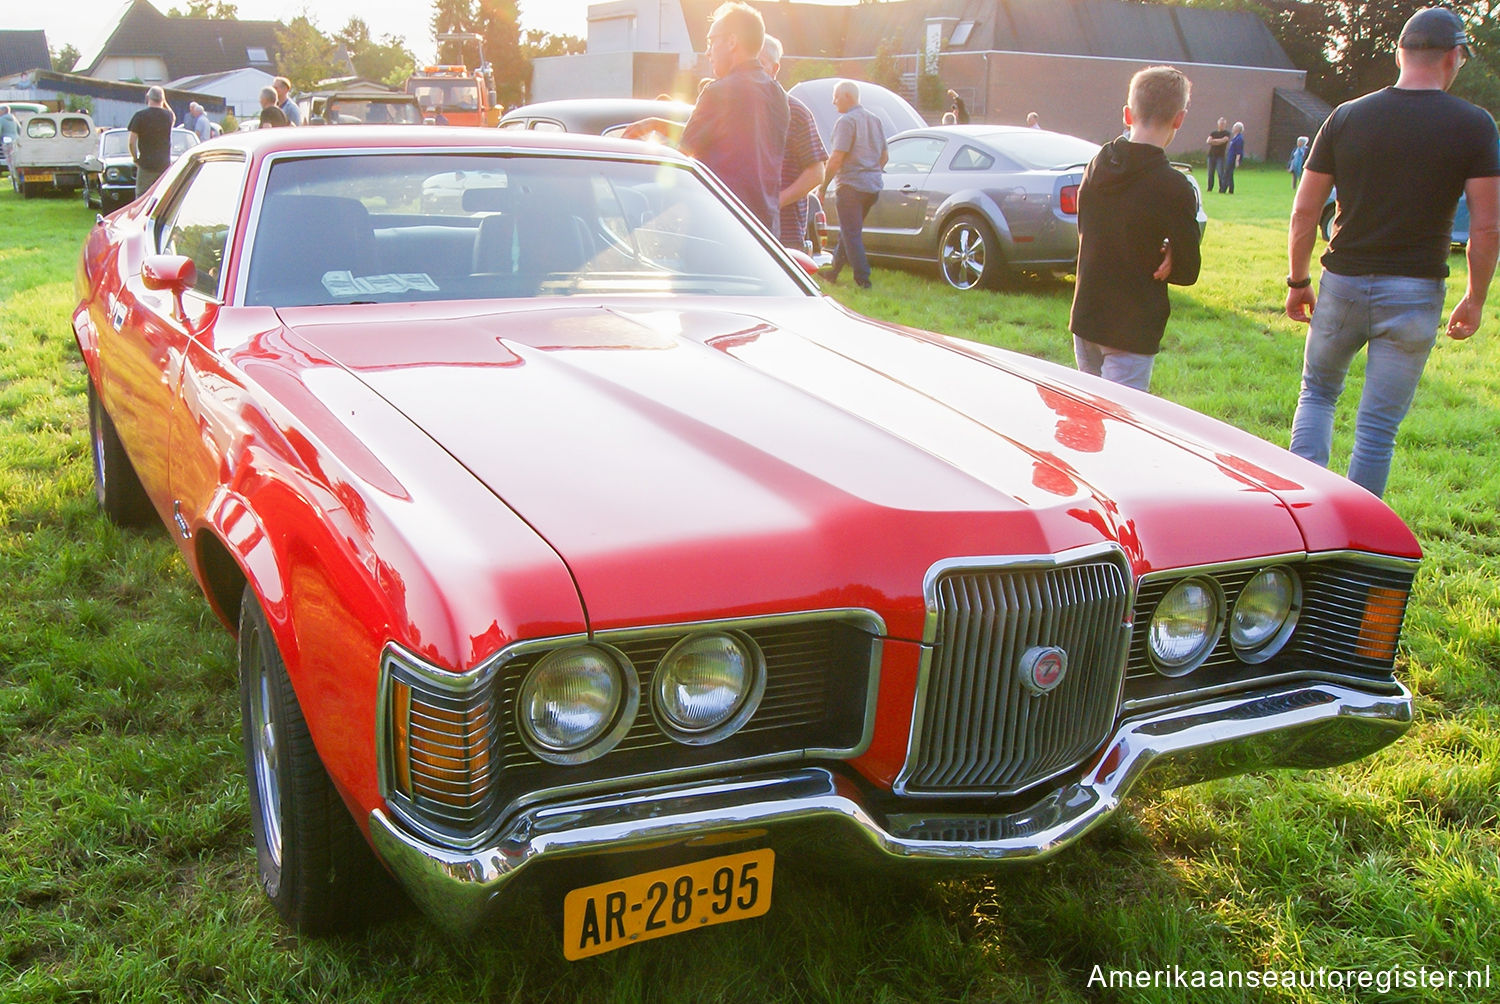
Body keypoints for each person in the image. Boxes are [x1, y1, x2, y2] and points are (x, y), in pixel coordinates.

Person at [1285, 6, 1499, 499]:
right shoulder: (1474, 124)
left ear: (1400, 52)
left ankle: (1299, 516)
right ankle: (1358, 541)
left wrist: (1298, 281)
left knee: (1317, 395)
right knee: (1377, 430)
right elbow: (1487, 226)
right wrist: (1476, 297)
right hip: (1416, 290)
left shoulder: (1347, 116)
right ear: (1454, 57)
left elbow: (1304, 211)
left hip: (1342, 282)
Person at [1068, 65, 1202, 392]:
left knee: (1087, 423)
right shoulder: (1173, 186)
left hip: (1087, 314)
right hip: (1131, 325)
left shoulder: (1098, 163)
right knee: (1121, 427)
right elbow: (1187, 271)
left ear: (1128, 113)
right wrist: (1173, 247)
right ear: (1179, 118)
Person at [622, 2, 788, 233]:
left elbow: (682, 154)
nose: (708, 51)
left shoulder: (719, 91)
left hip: (720, 224)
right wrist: (656, 124)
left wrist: (629, 165)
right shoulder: (777, 93)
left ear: (731, 42)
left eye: (711, 41)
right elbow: (724, 136)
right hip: (764, 230)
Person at [759, 34, 826, 251]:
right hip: (741, 225)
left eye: (760, 64)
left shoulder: (794, 112)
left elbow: (816, 173)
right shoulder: (737, 109)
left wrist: (775, 202)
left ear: (774, 68)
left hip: (784, 231)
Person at [820, 80, 888, 290]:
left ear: (848, 97)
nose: (833, 102)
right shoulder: (874, 119)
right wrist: (871, 169)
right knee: (849, 230)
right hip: (872, 186)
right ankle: (833, 272)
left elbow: (836, 158)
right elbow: (885, 156)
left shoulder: (846, 121)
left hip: (851, 186)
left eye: (836, 97)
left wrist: (822, 187)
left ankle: (863, 280)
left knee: (851, 233)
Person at [128, 85, 175, 198]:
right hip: (164, 164)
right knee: (162, 196)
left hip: (146, 164)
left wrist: (135, 158)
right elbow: (173, 116)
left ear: (148, 98)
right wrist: (163, 101)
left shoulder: (140, 116)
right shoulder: (168, 116)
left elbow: (131, 142)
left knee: (142, 196)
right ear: (162, 100)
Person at [1205, 117, 1230, 192]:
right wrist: (1218, 141)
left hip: (1220, 156)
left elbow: (1224, 140)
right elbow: (1208, 141)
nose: (1222, 125)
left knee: (1220, 173)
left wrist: (1214, 141)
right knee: (1210, 173)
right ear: (1218, 124)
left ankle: (1222, 188)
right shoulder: (1213, 133)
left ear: (1225, 125)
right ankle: (1210, 188)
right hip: (1211, 155)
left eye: (1223, 124)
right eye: (1220, 123)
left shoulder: (1227, 133)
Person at [1223, 121, 1245, 193]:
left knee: (1228, 173)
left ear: (1238, 129)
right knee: (1228, 173)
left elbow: (1239, 151)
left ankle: (1226, 189)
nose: (1232, 128)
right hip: (1230, 157)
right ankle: (1228, 189)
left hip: (1232, 158)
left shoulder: (1239, 138)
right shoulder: (1235, 138)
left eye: (1234, 127)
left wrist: (1237, 161)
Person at [0, 105, 19, 175]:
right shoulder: (14, 118)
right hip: (16, 141)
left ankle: (13, 174)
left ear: (3, 111)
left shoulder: (1, 119)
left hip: (6, 142)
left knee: (9, 159)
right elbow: (20, 130)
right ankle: (16, 173)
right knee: (15, 159)